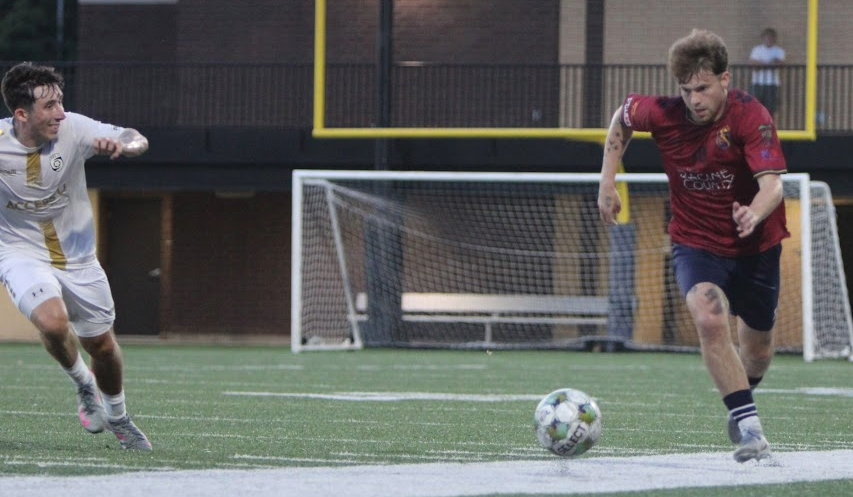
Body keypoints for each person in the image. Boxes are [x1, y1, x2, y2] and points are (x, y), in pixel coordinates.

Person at [597, 29, 787, 463]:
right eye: (686, 91)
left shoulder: (750, 115)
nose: (694, 100)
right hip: (696, 242)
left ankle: (743, 392)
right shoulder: (662, 114)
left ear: (725, 79)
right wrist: (607, 180)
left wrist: (753, 213)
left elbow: (773, 186)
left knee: (758, 351)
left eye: (702, 88)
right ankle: (750, 429)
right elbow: (622, 118)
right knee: (708, 316)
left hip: (756, 244)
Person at [0, 62, 152, 451]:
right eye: (49, 106)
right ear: (21, 114)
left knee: (102, 346)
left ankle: (118, 417)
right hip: (19, 252)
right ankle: (84, 384)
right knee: (53, 323)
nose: (60, 113)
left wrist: (124, 146)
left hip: (79, 257)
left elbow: (136, 138)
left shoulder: (76, 129)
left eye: (61, 103)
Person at [749, 28, 785, 116]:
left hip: (772, 84)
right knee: (755, 107)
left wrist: (761, 63)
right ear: (763, 38)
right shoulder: (757, 50)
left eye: (771, 37)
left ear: (774, 38)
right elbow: (753, 64)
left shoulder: (779, 51)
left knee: (770, 109)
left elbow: (780, 64)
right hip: (757, 83)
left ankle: (768, 124)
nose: (769, 39)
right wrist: (770, 63)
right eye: (767, 37)